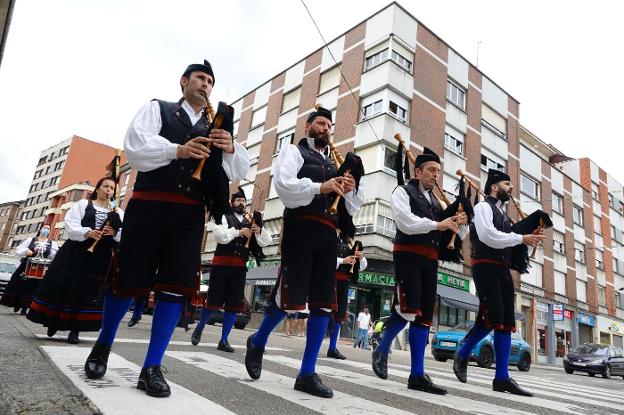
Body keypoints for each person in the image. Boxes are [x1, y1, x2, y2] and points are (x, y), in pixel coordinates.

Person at [82, 60, 249, 398]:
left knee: (175, 287)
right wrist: (178, 150)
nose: (206, 85)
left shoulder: (215, 126)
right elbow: (136, 147)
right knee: (127, 279)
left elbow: (237, 172)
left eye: (211, 82)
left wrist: (230, 146)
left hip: (189, 215)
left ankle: (152, 366)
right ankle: (103, 344)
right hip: (149, 205)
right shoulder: (159, 109)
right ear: (184, 81)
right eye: (201, 78)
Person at [244, 105, 365, 398]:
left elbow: (355, 206)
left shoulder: (337, 163)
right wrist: (320, 187)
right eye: (320, 123)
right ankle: (258, 340)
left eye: (328, 125)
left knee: (324, 302)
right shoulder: (293, 152)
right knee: (290, 297)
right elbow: (284, 186)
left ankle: (307, 372)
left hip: (328, 234)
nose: (325, 128)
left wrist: (350, 188)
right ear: (308, 126)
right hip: (300, 228)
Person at [371, 147, 468, 395]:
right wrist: (437, 223)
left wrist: (461, 225)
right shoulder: (402, 191)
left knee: (424, 316)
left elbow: (452, 236)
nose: (436, 175)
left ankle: (416, 375)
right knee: (407, 309)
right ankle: (382, 348)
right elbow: (405, 222)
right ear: (418, 171)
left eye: (438, 171)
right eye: (431, 170)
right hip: (407, 256)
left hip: (429, 261)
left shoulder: (436, 203)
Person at [452, 169, 544, 397]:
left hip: (502, 271)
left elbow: (510, 245)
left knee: (504, 322)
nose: (511, 188)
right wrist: (521, 237)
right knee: (493, 317)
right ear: (494, 187)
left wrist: (528, 238)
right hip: (484, 266)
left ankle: (501, 378)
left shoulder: (503, 215)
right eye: (507, 184)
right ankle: (463, 352)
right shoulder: (483, 208)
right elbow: (488, 236)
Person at [27, 178, 123, 344]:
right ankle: (54, 321)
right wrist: (86, 232)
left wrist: (114, 232)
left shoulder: (118, 211)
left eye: (112, 188)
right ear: (98, 188)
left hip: (99, 257)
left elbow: (124, 233)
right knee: (65, 286)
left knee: (86, 291)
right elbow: (70, 225)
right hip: (76, 252)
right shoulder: (83, 204)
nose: (109, 190)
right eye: (105, 186)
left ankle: (75, 330)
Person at [191, 186, 271, 351]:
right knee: (213, 300)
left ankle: (224, 340)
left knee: (234, 304)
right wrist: (238, 232)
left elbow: (267, 241)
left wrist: (259, 230)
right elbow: (219, 235)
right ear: (231, 202)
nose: (241, 203)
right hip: (221, 265)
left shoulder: (251, 221)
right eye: (238, 200)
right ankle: (199, 327)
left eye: (243, 201)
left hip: (240, 267)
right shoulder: (223, 216)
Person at [326, 230, 367, 359]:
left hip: (344, 283)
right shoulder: (329, 236)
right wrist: (342, 261)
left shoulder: (349, 243)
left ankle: (332, 348)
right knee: (324, 311)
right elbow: (324, 257)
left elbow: (362, 267)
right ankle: (313, 344)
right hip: (330, 280)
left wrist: (361, 257)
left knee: (339, 315)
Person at [1, 224, 58, 314]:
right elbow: (19, 249)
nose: (46, 230)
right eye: (44, 228)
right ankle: (17, 303)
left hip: (41, 268)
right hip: (26, 266)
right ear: (40, 229)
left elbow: (53, 256)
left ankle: (25, 308)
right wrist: (26, 251)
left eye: (48, 228)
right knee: (21, 285)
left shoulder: (52, 243)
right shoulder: (31, 240)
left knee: (35, 288)